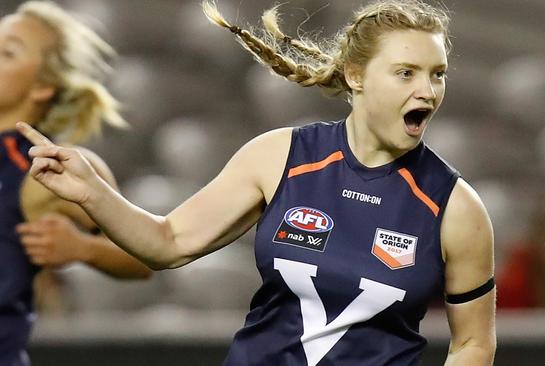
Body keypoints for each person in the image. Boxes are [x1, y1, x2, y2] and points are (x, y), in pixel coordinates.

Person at [18, 0, 496, 364]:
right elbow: (169, 241)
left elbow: (473, 341)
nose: (427, 91)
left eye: (438, 75)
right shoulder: (280, 156)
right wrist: (91, 193)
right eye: (406, 73)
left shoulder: (456, 207)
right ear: (355, 76)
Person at [1, 1, 152, 364]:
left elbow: (146, 256)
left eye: (7, 53)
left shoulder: (47, 168)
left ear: (42, 87)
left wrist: (84, 248)